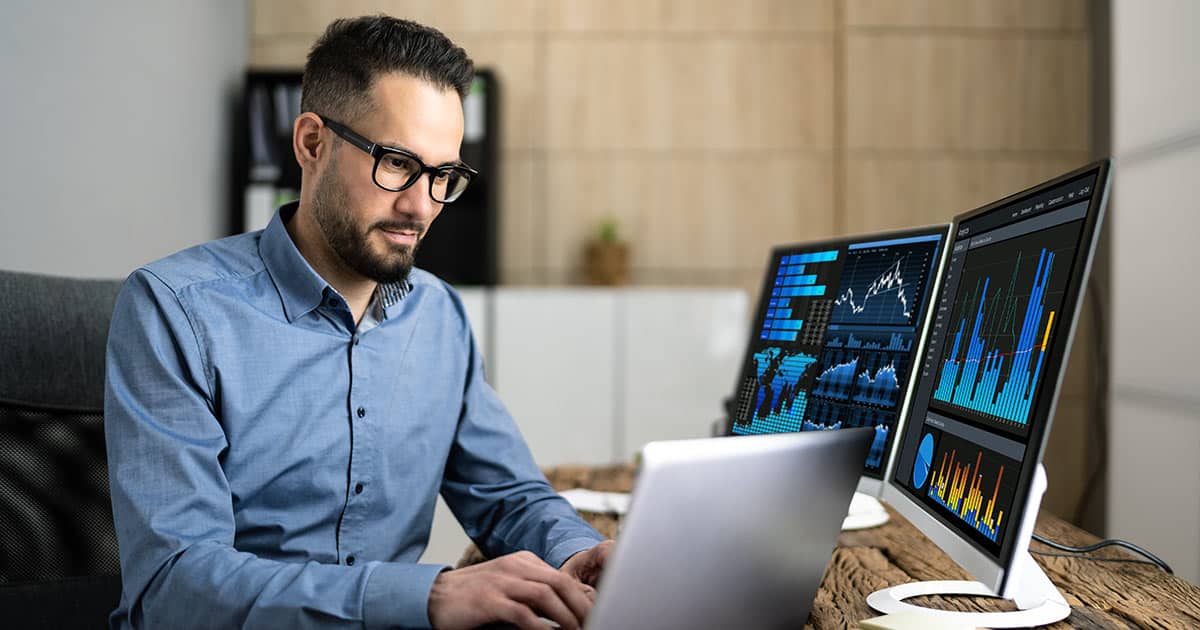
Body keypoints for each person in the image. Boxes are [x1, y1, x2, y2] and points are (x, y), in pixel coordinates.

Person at [104, 15, 612, 630]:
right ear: (312, 143)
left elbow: (509, 498)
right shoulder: (174, 310)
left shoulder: (438, 315)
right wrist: (427, 597)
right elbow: (172, 586)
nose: (421, 206)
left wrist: (578, 552)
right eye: (397, 164)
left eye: (444, 176)